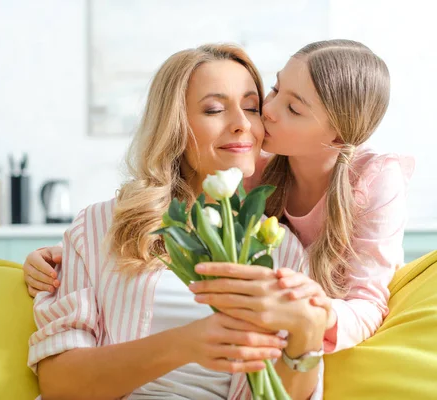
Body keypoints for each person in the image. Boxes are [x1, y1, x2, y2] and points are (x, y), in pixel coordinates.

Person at [26, 39, 414, 355]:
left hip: (315, 326)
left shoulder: (375, 181)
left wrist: (311, 315)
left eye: (293, 108)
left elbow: (368, 301)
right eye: (275, 89)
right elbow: (171, 208)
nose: (265, 113)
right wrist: (68, 256)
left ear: (337, 138)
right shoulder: (253, 166)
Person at [28, 43, 328, 400]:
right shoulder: (99, 227)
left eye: (251, 107)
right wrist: (186, 343)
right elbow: (60, 384)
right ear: (175, 126)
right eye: (215, 109)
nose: (242, 124)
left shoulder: (280, 247)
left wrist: (307, 334)